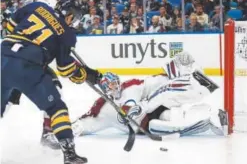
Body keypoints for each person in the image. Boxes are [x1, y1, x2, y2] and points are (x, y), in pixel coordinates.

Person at [42, 52, 228, 149]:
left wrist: (175, 72)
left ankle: (196, 81)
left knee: (165, 89)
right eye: (111, 86)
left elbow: (151, 84)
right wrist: (61, 134)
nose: (115, 88)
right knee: (163, 122)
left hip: (153, 104)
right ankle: (210, 118)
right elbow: (84, 124)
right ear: (105, 89)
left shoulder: (131, 86)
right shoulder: (103, 109)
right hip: (148, 123)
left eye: (116, 83)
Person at [1, 0, 104, 164]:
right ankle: (68, 152)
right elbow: (65, 69)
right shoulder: (67, 34)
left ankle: (48, 131)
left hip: (3, 57)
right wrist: (84, 74)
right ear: (70, 16)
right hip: (29, 67)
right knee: (57, 107)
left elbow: (11, 25)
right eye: (75, 19)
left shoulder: (38, 6)